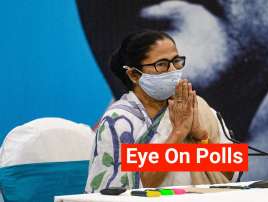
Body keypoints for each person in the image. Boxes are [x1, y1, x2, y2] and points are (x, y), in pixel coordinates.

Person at [85, 30, 235, 192]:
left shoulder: (197, 109)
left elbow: (230, 175)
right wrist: (178, 132)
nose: (172, 71)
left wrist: (202, 137)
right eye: (162, 64)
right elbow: (133, 188)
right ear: (134, 75)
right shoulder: (119, 121)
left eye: (176, 61)